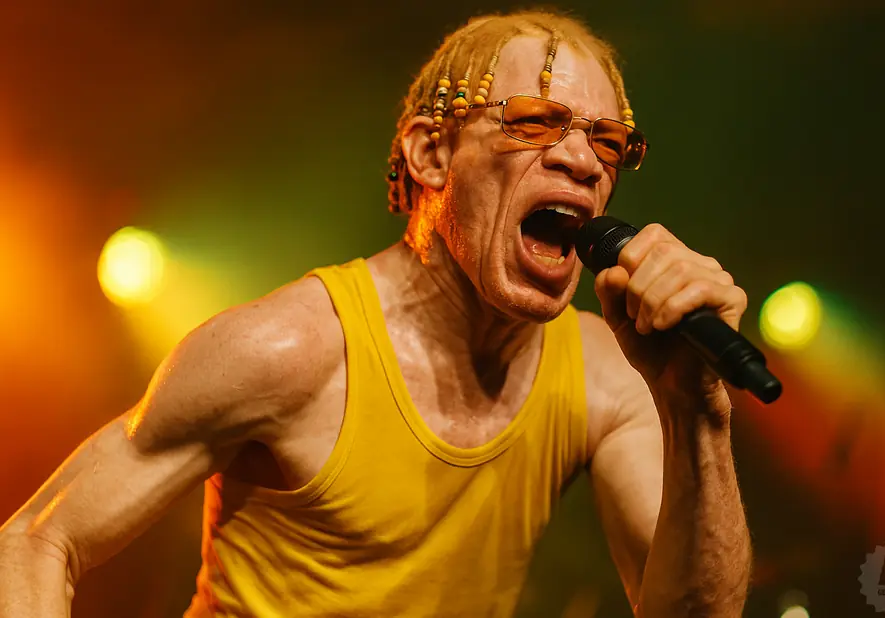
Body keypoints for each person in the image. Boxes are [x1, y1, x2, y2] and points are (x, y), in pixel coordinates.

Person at [0, 10, 751, 618]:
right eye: (534, 122)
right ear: (431, 155)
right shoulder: (288, 349)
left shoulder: (605, 380)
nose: (583, 162)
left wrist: (699, 411)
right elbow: (35, 541)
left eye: (608, 140)